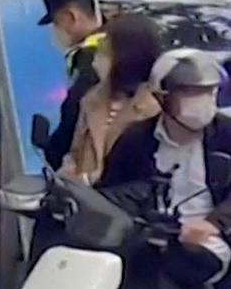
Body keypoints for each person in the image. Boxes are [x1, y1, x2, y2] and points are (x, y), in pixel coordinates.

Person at [98, 48, 231, 289]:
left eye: (207, 93)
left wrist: (214, 223)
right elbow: (110, 198)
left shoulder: (225, 135)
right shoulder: (136, 141)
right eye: (189, 93)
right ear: (162, 98)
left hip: (216, 258)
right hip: (157, 263)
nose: (200, 103)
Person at [59, 13, 162, 185]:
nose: (96, 61)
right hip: (85, 204)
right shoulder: (91, 100)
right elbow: (75, 154)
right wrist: (70, 175)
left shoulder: (155, 110)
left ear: (128, 58)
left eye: (105, 53)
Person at [38, 0, 105, 169]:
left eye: (57, 22)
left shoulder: (90, 57)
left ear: (71, 16)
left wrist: (54, 151)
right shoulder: (122, 43)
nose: (57, 30)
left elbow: (75, 112)